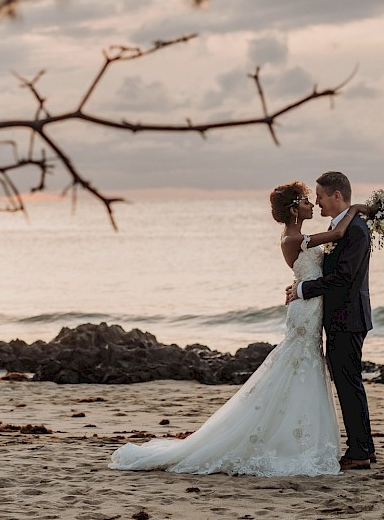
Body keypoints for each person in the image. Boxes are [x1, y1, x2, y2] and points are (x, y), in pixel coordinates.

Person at [108, 181, 366, 476]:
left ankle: (300, 434)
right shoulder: (294, 239)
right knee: (299, 365)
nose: (313, 205)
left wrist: (301, 285)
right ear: (295, 210)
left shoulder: (299, 236)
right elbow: (337, 233)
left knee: (302, 365)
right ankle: (291, 439)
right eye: (308, 202)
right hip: (305, 310)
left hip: (309, 304)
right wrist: (356, 208)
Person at [285, 171, 375, 470]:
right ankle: (364, 446)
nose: (318, 202)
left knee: (348, 383)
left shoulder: (355, 230)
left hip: (348, 318)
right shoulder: (340, 227)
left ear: (336, 196)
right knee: (348, 382)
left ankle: (360, 451)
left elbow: (344, 277)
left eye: (321, 196)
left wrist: (303, 289)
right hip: (338, 317)